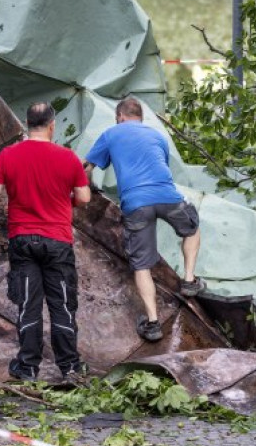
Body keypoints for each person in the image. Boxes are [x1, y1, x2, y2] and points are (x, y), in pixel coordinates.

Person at [0, 102, 91, 384]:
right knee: (62, 303)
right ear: (52, 125)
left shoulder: (8, 155)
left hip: (22, 240)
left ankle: (27, 368)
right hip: (57, 241)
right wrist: (68, 199)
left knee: (28, 302)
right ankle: (70, 368)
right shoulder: (68, 157)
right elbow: (85, 198)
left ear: (29, 124)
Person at [84, 97, 203, 342]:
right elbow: (160, 167)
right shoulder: (158, 136)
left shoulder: (111, 133)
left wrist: (91, 190)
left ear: (119, 117)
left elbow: (86, 169)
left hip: (136, 204)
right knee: (191, 227)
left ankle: (152, 322)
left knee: (141, 265)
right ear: (141, 117)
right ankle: (189, 280)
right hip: (167, 196)